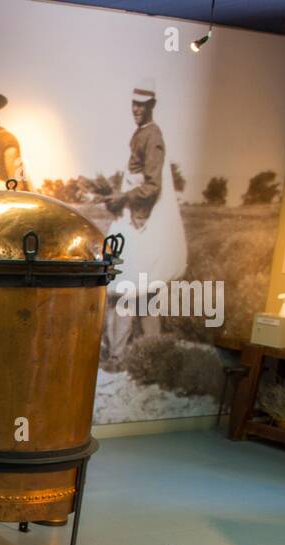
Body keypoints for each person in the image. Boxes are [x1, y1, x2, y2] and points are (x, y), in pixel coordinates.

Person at [102, 81, 188, 363]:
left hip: (142, 222)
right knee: (143, 290)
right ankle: (152, 356)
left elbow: (152, 187)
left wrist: (124, 201)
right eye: (134, 104)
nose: (137, 109)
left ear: (152, 106)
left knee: (126, 287)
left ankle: (122, 356)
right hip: (136, 219)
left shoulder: (153, 136)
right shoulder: (141, 133)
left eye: (142, 105)